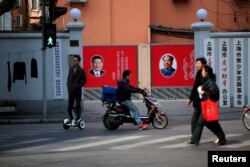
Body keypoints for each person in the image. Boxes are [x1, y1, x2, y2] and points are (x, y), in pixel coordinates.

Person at [186, 66, 227, 145]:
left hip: (209, 106)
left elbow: (215, 92)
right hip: (206, 105)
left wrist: (204, 92)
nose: (202, 72)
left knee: (201, 122)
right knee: (210, 123)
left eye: (203, 71)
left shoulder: (210, 82)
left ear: (206, 72)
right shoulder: (207, 81)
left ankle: (194, 139)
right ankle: (222, 138)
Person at [186, 57, 207, 134]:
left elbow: (211, 87)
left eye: (198, 63)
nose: (196, 65)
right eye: (196, 63)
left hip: (204, 101)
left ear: (203, 64)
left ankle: (194, 138)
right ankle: (194, 138)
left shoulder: (207, 74)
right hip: (198, 101)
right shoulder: (198, 74)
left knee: (196, 120)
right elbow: (195, 87)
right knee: (201, 121)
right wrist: (190, 99)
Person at [67, 55, 87, 125]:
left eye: (75, 60)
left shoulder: (81, 70)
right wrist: (68, 86)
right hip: (71, 91)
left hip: (77, 91)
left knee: (78, 105)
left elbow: (84, 81)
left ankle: (78, 118)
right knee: (70, 106)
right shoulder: (71, 69)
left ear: (78, 61)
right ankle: (71, 118)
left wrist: (78, 86)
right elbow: (69, 79)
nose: (74, 62)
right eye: (73, 60)